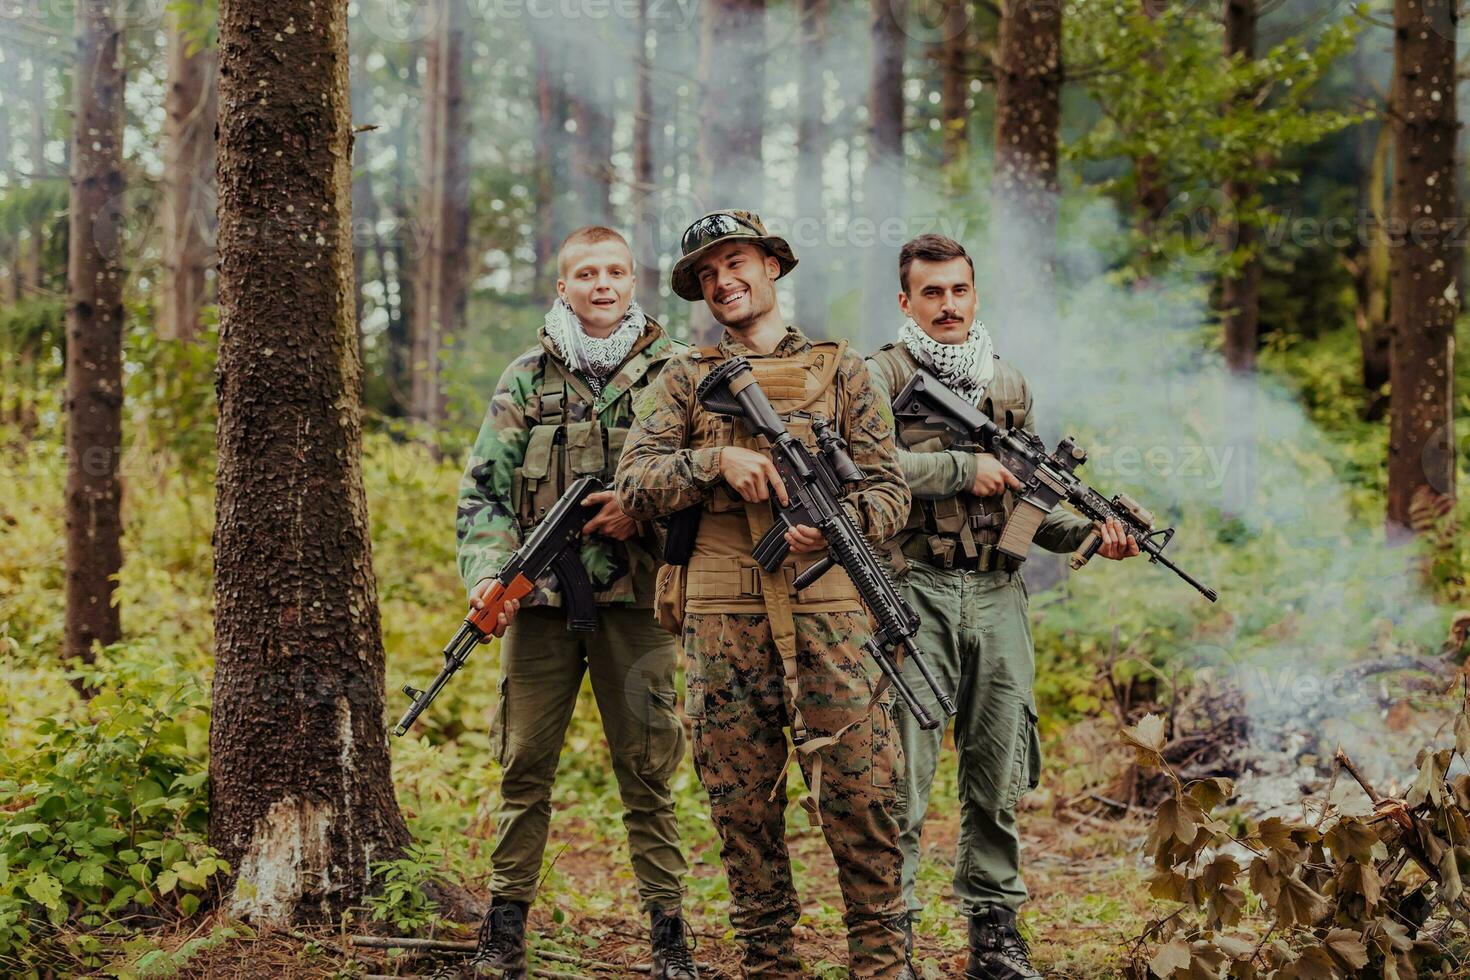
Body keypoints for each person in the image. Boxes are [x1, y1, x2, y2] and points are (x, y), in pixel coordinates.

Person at [615, 210, 915, 979]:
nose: (724, 281)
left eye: (737, 262)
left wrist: (836, 524)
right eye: (708, 274)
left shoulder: (846, 371)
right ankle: (769, 964)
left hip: (831, 617)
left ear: (773, 267)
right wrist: (714, 464)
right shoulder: (681, 379)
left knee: (863, 798)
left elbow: (890, 494)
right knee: (740, 807)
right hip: (722, 619)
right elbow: (635, 483)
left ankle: (881, 965)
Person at [865, 234, 1139, 980]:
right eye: (932, 293)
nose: (948, 305)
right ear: (906, 302)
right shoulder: (878, 376)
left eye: (959, 290)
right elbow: (860, 469)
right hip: (912, 587)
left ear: (974, 295)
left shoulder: (1008, 385)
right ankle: (894, 939)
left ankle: (994, 928)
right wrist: (963, 467)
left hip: (996, 592)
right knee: (903, 775)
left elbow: (1030, 504)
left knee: (999, 767)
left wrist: (1092, 533)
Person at [457, 226, 698, 979]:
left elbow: (703, 478)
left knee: (648, 769)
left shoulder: (676, 372)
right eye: (586, 273)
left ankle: (669, 931)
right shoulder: (525, 378)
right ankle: (503, 928)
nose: (601, 284)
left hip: (639, 607)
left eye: (616, 272)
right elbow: (484, 491)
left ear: (634, 283)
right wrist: (489, 572)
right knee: (524, 766)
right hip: (540, 610)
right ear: (563, 287)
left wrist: (641, 509)